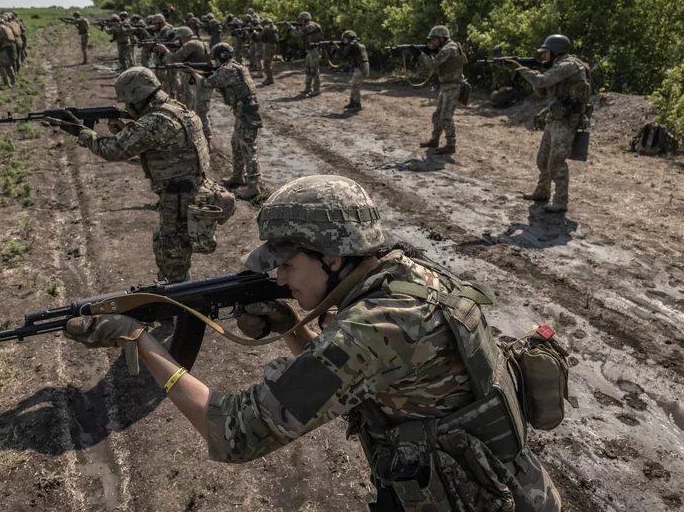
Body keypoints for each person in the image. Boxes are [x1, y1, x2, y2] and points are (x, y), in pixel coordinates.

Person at [62, 174, 563, 512]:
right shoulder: (408, 274)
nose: (279, 279)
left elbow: (233, 433)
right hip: (499, 485)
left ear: (331, 256)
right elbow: (361, 379)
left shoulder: (377, 326)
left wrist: (142, 342)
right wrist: (291, 325)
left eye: (286, 264)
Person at [51, 67, 215, 283]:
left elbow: (114, 150)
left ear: (139, 98)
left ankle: (180, 307)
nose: (126, 108)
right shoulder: (177, 108)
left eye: (128, 103)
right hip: (191, 191)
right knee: (173, 252)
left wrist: (81, 132)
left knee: (171, 259)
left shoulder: (156, 121)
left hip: (178, 200)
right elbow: (165, 149)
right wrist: (125, 131)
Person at [504, 34, 591, 213]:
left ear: (555, 51)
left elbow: (541, 81)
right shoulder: (558, 65)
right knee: (542, 159)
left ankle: (560, 201)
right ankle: (542, 191)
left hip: (567, 120)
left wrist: (521, 69)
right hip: (556, 117)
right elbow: (542, 92)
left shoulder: (568, 65)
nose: (543, 56)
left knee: (556, 162)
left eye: (545, 53)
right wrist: (532, 70)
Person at [191, 43, 263, 200]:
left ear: (222, 57)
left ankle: (253, 186)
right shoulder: (236, 67)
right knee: (236, 144)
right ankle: (238, 176)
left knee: (249, 149)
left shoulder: (227, 70)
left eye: (215, 59)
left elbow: (206, 83)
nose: (214, 62)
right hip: (243, 112)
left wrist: (193, 73)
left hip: (246, 114)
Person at [154, 26, 213, 147]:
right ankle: (204, 140)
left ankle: (205, 141)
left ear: (182, 37)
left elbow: (175, 59)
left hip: (195, 81)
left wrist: (165, 51)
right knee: (199, 110)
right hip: (200, 79)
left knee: (197, 110)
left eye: (179, 39)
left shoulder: (191, 44)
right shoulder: (199, 42)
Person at [419, 25, 468, 155]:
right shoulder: (447, 47)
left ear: (441, 38)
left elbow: (432, 64)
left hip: (453, 87)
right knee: (437, 115)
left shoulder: (448, 49)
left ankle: (451, 144)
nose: (432, 42)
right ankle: (435, 139)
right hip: (446, 86)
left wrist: (421, 55)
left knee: (446, 117)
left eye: (434, 39)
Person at [283, 12, 324, 96]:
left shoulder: (311, 26)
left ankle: (317, 89)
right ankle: (308, 87)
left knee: (314, 69)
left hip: (314, 50)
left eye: (301, 19)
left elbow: (298, 34)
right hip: (310, 50)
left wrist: (290, 28)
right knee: (308, 69)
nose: (300, 21)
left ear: (306, 19)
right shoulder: (307, 26)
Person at [339, 30, 369, 110]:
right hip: (361, 67)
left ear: (349, 38)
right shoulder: (357, 44)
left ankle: (357, 104)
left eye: (345, 39)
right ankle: (352, 102)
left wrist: (339, 48)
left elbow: (344, 55)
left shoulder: (352, 45)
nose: (343, 41)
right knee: (353, 85)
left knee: (355, 86)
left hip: (360, 68)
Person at [0, 17, 18, 89]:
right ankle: (13, 81)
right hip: (13, 48)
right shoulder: (7, 27)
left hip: (6, 49)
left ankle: (7, 84)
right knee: (8, 65)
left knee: (1, 67)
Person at [259, 19, 278, 85]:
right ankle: (269, 78)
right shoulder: (275, 27)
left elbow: (260, 37)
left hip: (268, 45)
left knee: (266, 63)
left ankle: (269, 79)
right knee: (269, 62)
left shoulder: (266, 28)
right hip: (274, 46)